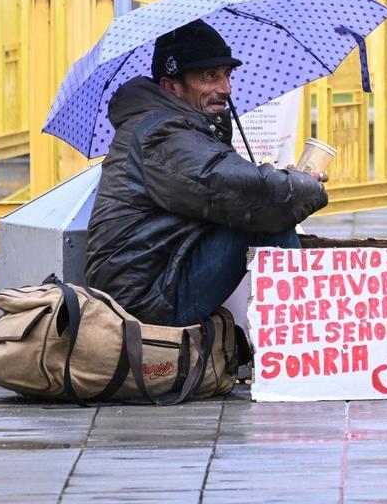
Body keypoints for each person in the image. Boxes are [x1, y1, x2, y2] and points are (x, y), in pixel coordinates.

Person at [87, 18, 328, 328]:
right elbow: (233, 188)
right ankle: (303, 338)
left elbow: (230, 184)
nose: (225, 88)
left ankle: (295, 337)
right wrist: (302, 188)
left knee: (264, 208)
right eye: (209, 77)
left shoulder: (177, 124)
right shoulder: (160, 134)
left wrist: (288, 181)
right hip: (143, 303)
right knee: (263, 220)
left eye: (226, 75)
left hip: (164, 275)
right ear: (171, 86)